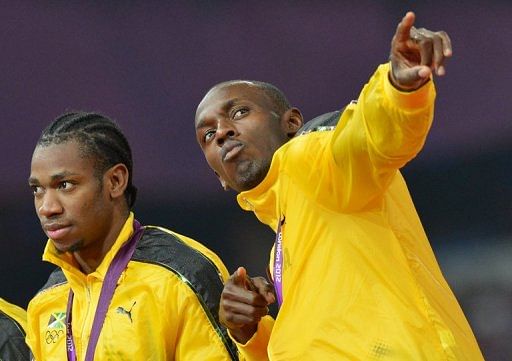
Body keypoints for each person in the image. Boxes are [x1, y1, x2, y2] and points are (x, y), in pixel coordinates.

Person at [194, 11, 484, 360]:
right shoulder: (282, 246)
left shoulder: (312, 158)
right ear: (220, 179)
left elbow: (369, 139)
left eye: (239, 113)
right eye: (208, 134)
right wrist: (250, 333)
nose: (223, 132)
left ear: (292, 123)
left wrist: (397, 87)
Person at [26, 112, 243, 360]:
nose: (47, 207)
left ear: (115, 181)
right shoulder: (46, 301)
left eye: (65, 185)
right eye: (37, 190)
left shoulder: (181, 276)